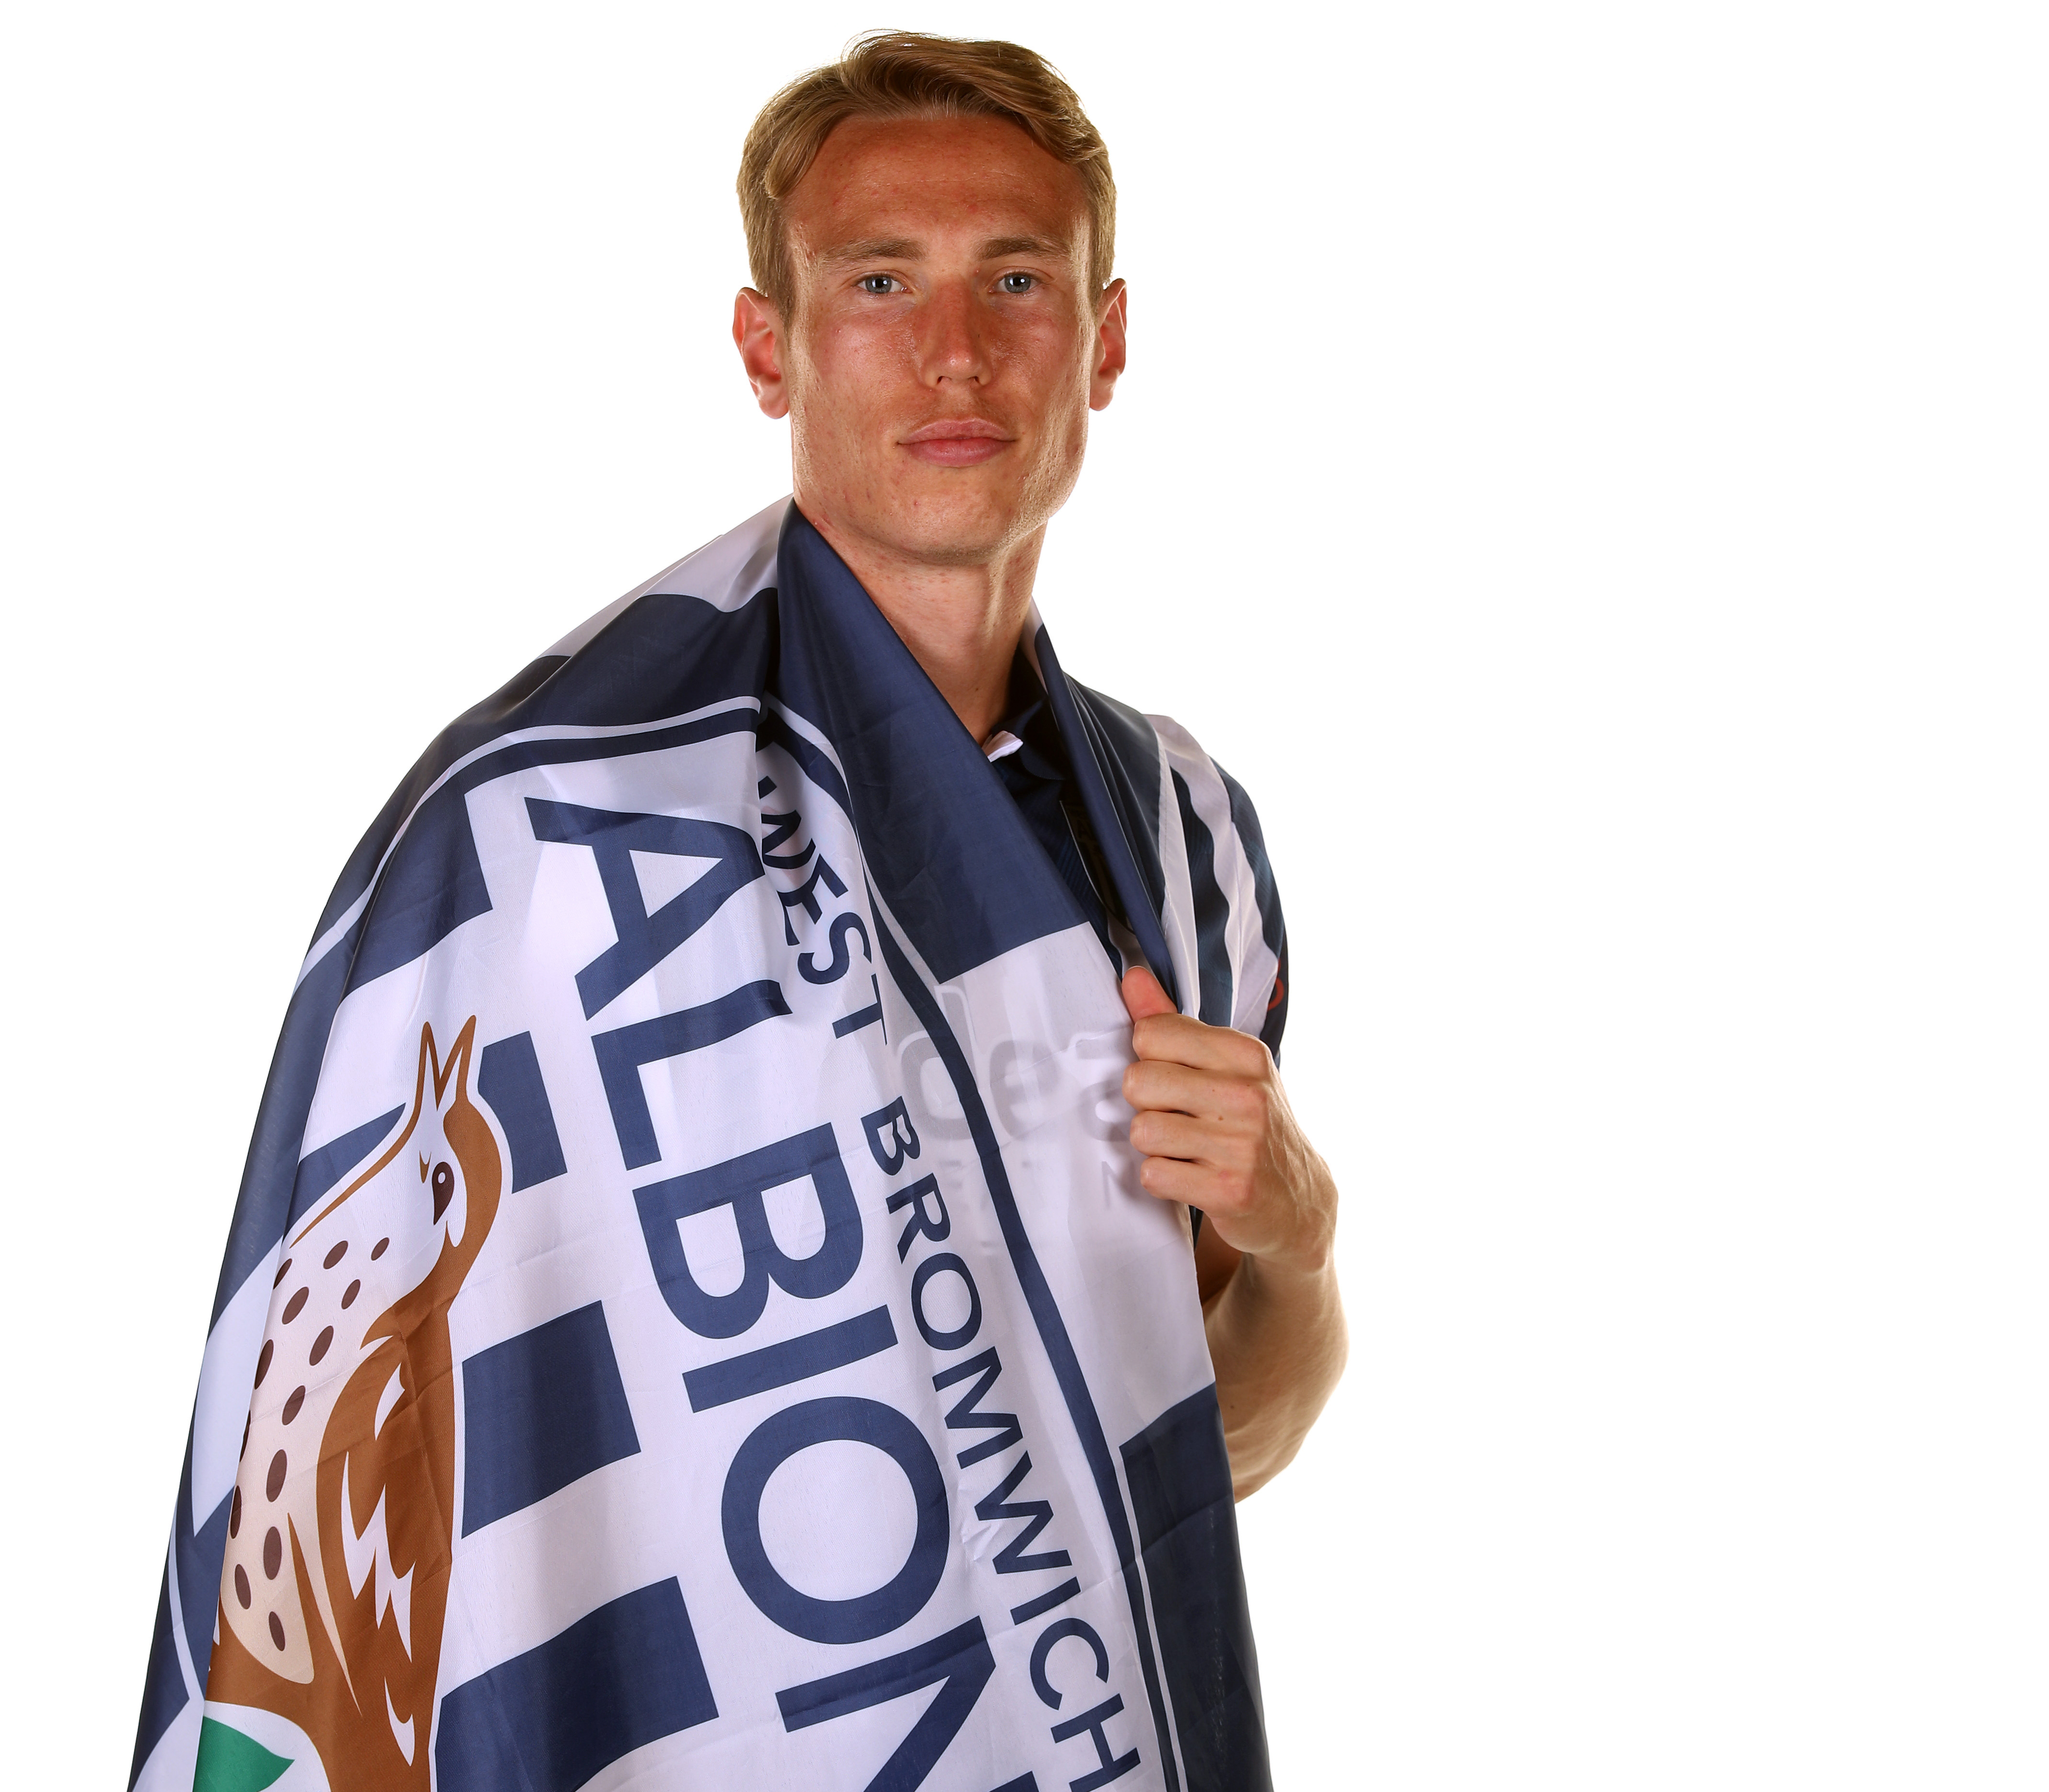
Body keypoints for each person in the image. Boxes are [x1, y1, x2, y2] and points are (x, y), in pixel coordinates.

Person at [133, 32, 1341, 1792]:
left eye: (1018, 277)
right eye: (878, 282)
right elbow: (351, 1491)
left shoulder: (1179, 835)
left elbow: (1215, 1433)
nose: (953, 350)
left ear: (1107, 337)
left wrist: (1294, 1224)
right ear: (768, 349)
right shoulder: (548, 832)